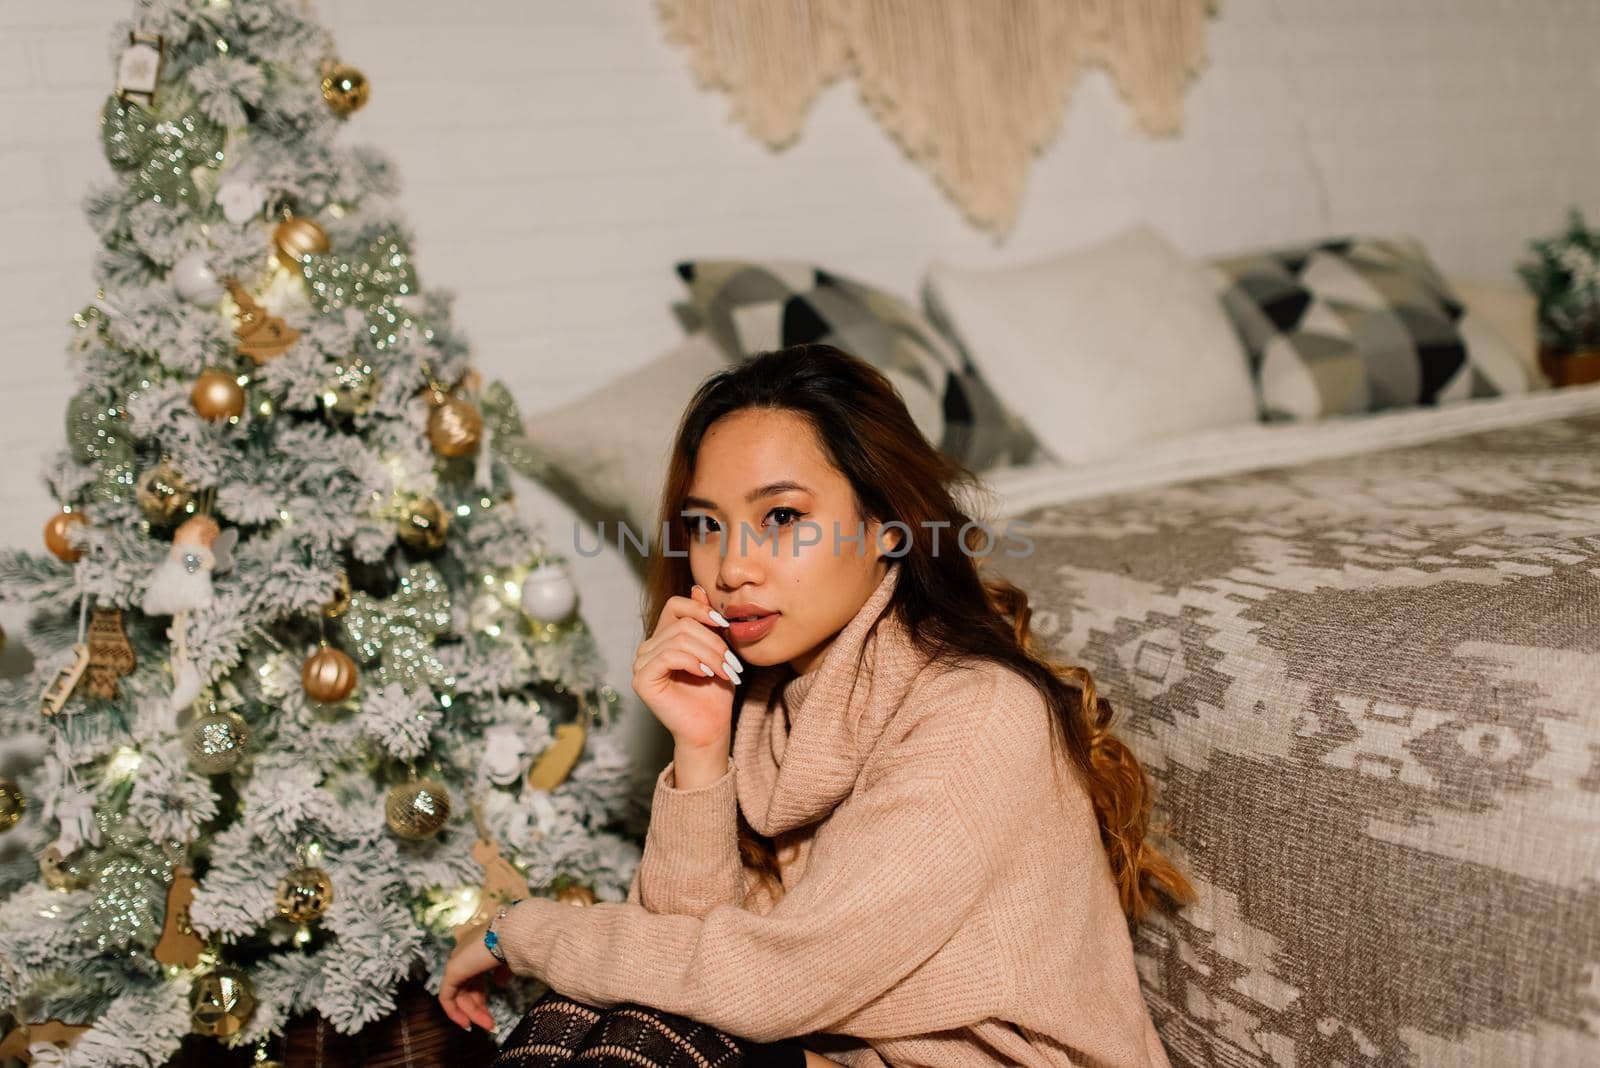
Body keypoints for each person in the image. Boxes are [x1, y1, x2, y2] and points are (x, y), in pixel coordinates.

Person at [441, 342, 1196, 1066]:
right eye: (706, 525)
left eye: (781, 518)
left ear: (888, 528)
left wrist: (522, 932)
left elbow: (766, 984)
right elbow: (679, 970)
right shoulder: (768, 705)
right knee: (589, 1019)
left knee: (616, 1022)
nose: (733, 566)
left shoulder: (974, 714)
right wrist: (701, 750)